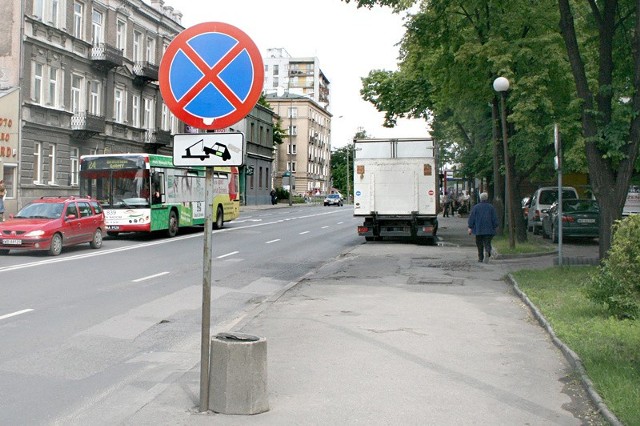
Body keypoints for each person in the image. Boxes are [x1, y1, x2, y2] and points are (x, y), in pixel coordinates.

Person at [467, 192, 498, 263]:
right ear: (486, 198)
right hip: (489, 229)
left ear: (480, 198)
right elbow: (494, 218)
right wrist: (495, 226)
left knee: (479, 244)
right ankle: (487, 251)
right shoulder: (491, 207)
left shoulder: (476, 207)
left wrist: (470, 227)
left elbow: (472, 218)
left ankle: (480, 258)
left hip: (478, 229)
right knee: (487, 242)